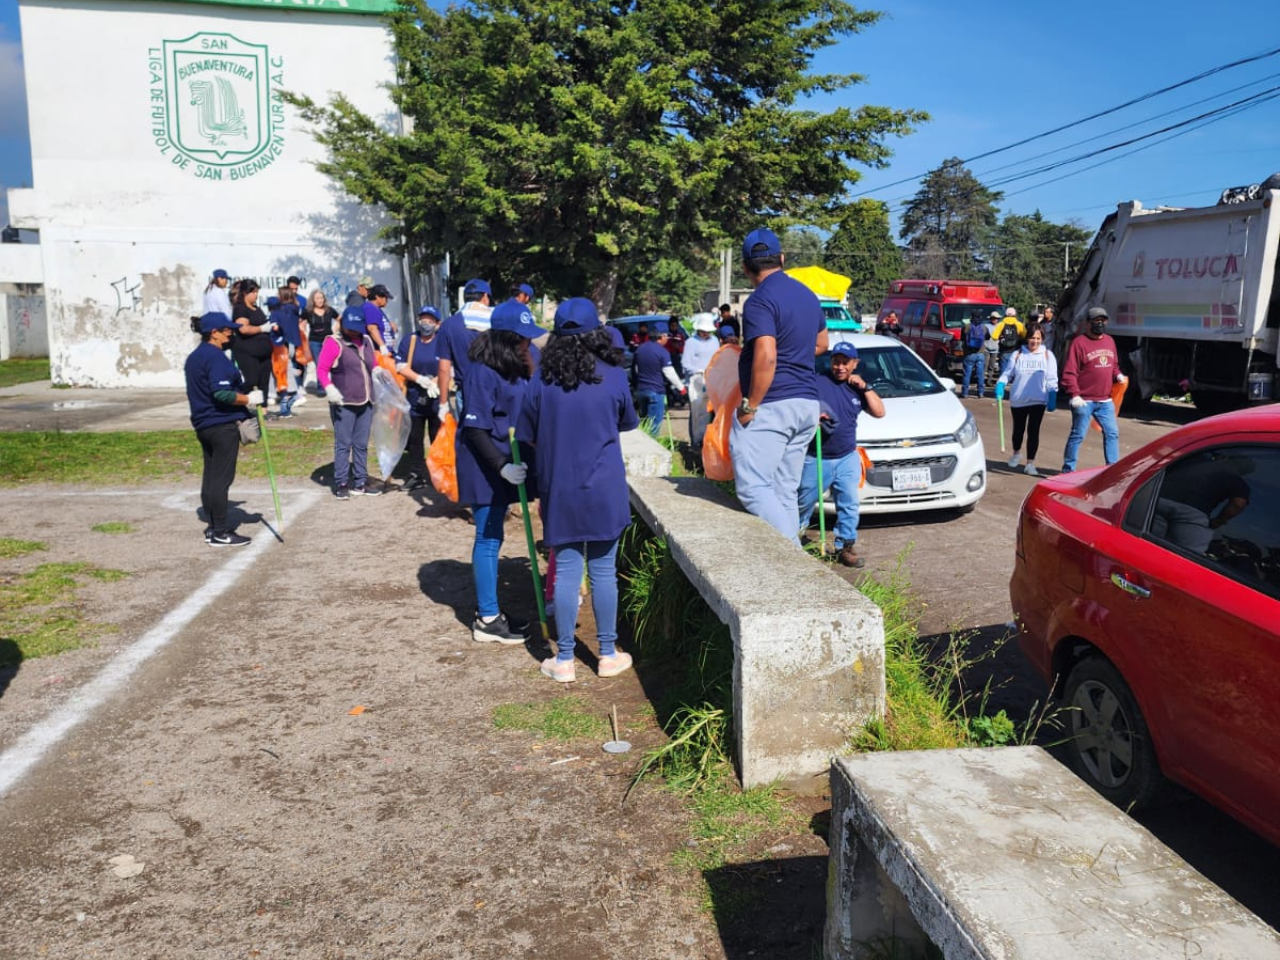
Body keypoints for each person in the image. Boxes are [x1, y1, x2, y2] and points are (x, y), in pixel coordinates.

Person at [516, 297, 639, 682]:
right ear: (596, 333)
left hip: (560, 487)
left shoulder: (540, 381)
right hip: (605, 485)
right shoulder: (615, 375)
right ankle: (606, 653)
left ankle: (564, 659)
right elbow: (626, 424)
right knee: (604, 571)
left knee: (567, 570)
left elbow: (528, 436)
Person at [731, 227, 827, 543]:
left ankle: (793, 559)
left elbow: (767, 357)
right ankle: (796, 562)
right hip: (807, 405)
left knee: (753, 487)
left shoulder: (759, 301)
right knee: (784, 487)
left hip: (773, 404)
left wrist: (750, 405)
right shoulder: (808, 296)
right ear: (782, 259)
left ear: (746, 267)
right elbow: (822, 344)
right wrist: (795, 351)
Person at [457, 299, 541, 644]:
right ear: (506, 339)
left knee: (496, 535)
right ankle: (487, 618)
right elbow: (475, 429)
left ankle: (493, 611)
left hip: (508, 461)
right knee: (489, 536)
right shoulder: (482, 372)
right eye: (522, 340)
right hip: (485, 463)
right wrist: (503, 467)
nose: (527, 345)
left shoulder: (514, 368)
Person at [797, 342, 885, 567]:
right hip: (816, 456)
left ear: (855, 364)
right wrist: (811, 416)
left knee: (849, 505)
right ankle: (793, 540)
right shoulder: (817, 381)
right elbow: (799, 406)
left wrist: (866, 387)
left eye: (845, 362)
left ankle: (845, 547)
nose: (840, 367)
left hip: (847, 457)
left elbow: (879, 412)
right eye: (836, 361)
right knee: (802, 503)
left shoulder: (857, 387)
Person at [184, 312, 263, 547]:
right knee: (221, 479)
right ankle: (220, 531)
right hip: (220, 424)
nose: (230, 332)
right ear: (214, 333)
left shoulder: (195, 357)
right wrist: (248, 398)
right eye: (225, 329)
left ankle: (212, 527)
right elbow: (221, 394)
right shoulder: (214, 357)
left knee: (211, 477)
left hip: (203, 424)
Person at [318, 306, 381, 499]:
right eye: (350, 327)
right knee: (344, 444)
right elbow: (322, 369)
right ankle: (342, 482)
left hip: (366, 400)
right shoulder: (333, 342)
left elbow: (373, 364)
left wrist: (379, 373)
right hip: (344, 401)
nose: (353, 331)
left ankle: (361, 481)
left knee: (361, 444)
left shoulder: (367, 341)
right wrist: (329, 387)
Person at [1061, 307, 1127, 472]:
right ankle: (1068, 470)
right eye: (1096, 320)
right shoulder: (1079, 343)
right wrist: (1074, 394)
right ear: (1088, 323)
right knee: (1078, 435)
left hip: (1105, 401)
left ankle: (1112, 469)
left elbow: (1114, 366)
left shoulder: (1110, 341)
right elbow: (1069, 372)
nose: (1100, 323)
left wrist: (1118, 375)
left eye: (1103, 320)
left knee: (1112, 433)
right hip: (1084, 400)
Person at [996, 322, 1058, 477]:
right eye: (1032, 338)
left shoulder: (1047, 355)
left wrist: (1052, 394)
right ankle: (1016, 453)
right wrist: (1001, 384)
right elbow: (1007, 374)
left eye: (1038, 338)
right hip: (1018, 399)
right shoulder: (1018, 354)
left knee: (1033, 431)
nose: (1034, 341)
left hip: (1038, 400)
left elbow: (1052, 378)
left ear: (1042, 339)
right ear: (1027, 338)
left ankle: (1030, 463)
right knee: (1018, 429)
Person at [395, 305, 443, 490]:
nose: (426, 324)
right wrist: (420, 379)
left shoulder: (442, 342)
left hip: (437, 398)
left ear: (437, 324)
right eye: (424, 319)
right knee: (414, 439)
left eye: (430, 321)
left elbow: (449, 365)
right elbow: (400, 365)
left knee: (437, 438)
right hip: (414, 397)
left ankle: (438, 474)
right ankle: (416, 474)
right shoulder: (410, 340)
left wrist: (436, 383)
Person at [436, 278, 493, 409]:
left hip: (466, 391)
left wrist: (443, 403)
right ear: (485, 297)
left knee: (467, 429)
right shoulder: (497, 321)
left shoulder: (449, 325)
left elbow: (443, 368)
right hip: (495, 390)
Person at [632, 322, 686, 436]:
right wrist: (681, 388)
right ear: (662, 336)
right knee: (654, 425)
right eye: (666, 336)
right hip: (656, 391)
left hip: (641, 390)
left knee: (644, 422)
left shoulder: (640, 349)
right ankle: (653, 449)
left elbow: (635, 369)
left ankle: (644, 446)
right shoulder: (662, 352)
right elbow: (669, 372)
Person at [230, 279, 275, 403]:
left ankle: (264, 411)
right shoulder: (240, 309)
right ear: (245, 293)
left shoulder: (257, 308)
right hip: (248, 353)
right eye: (253, 292)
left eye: (257, 292)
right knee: (251, 381)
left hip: (264, 353)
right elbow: (243, 329)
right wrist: (262, 328)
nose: (256, 295)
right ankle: (237, 403)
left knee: (264, 382)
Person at [683, 313, 720, 448]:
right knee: (697, 411)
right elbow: (686, 363)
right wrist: (698, 370)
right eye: (704, 332)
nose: (706, 334)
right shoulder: (691, 343)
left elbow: (718, 358)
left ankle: (707, 440)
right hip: (696, 381)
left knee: (711, 411)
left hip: (712, 380)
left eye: (708, 332)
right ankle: (696, 440)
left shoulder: (715, 341)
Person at [268, 289, 306, 417]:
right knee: (288, 368)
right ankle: (291, 397)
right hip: (293, 343)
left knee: (283, 371)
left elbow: (275, 327)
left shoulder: (278, 311)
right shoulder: (295, 309)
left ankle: (290, 400)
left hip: (281, 343)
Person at [303, 289, 339, 391]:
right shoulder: (308, 311)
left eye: (321, 298)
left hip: (328, 340)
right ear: (313, 300)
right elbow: (300, 321)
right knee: (320, 363)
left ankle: (333, 385)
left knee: (331, 363)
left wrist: (335, 330)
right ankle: (321, 388)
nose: (320, 300)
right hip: (314, 341)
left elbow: (340, 319)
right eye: (317, 298)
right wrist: (303, 329)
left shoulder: (329, 310)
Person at [959, 310, 991, 399]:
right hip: (980, 354)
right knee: (980, 374)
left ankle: (965, 393)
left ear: (971, 317)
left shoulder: (966, 327)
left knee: (967, 374)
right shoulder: (984, 327)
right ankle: (980, 393)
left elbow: (962, 338)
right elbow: (988, 337)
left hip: (969, 354)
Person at [991, 307, 1026, 377]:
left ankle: (1002, 385)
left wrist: (1001, 337)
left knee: (1003, 369)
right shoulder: (1019, 324)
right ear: (1015, 315)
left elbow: (994, 337)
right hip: (1015, 350)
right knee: (1014, 369)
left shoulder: (1001, 324)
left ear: (1006, 315)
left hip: (1004, 350)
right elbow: (1025, 335)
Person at [363, 283, 396, 356]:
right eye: (385, 297)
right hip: (379, 353)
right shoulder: (370, 307)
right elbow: (372, 328)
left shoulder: (377, 309)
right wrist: (382, 347)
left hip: (387, 352)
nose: (387, 300)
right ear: (377, 297)